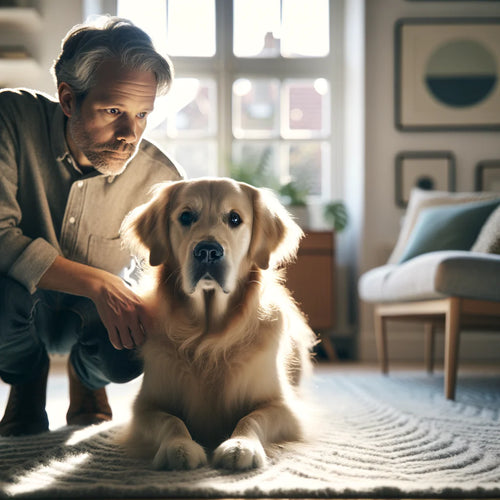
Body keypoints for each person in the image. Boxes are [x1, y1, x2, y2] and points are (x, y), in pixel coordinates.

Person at [0, 16, 183, 436]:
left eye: (142, 115)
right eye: (114, 111)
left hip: (96, 322)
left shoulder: (162, 181)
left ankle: (89, 381)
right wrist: (99, 283)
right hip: (16, 302)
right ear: (68, 99)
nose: (129, 135)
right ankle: (25, 383)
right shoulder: (9, 118)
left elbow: (157, 278)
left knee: (143, 330)